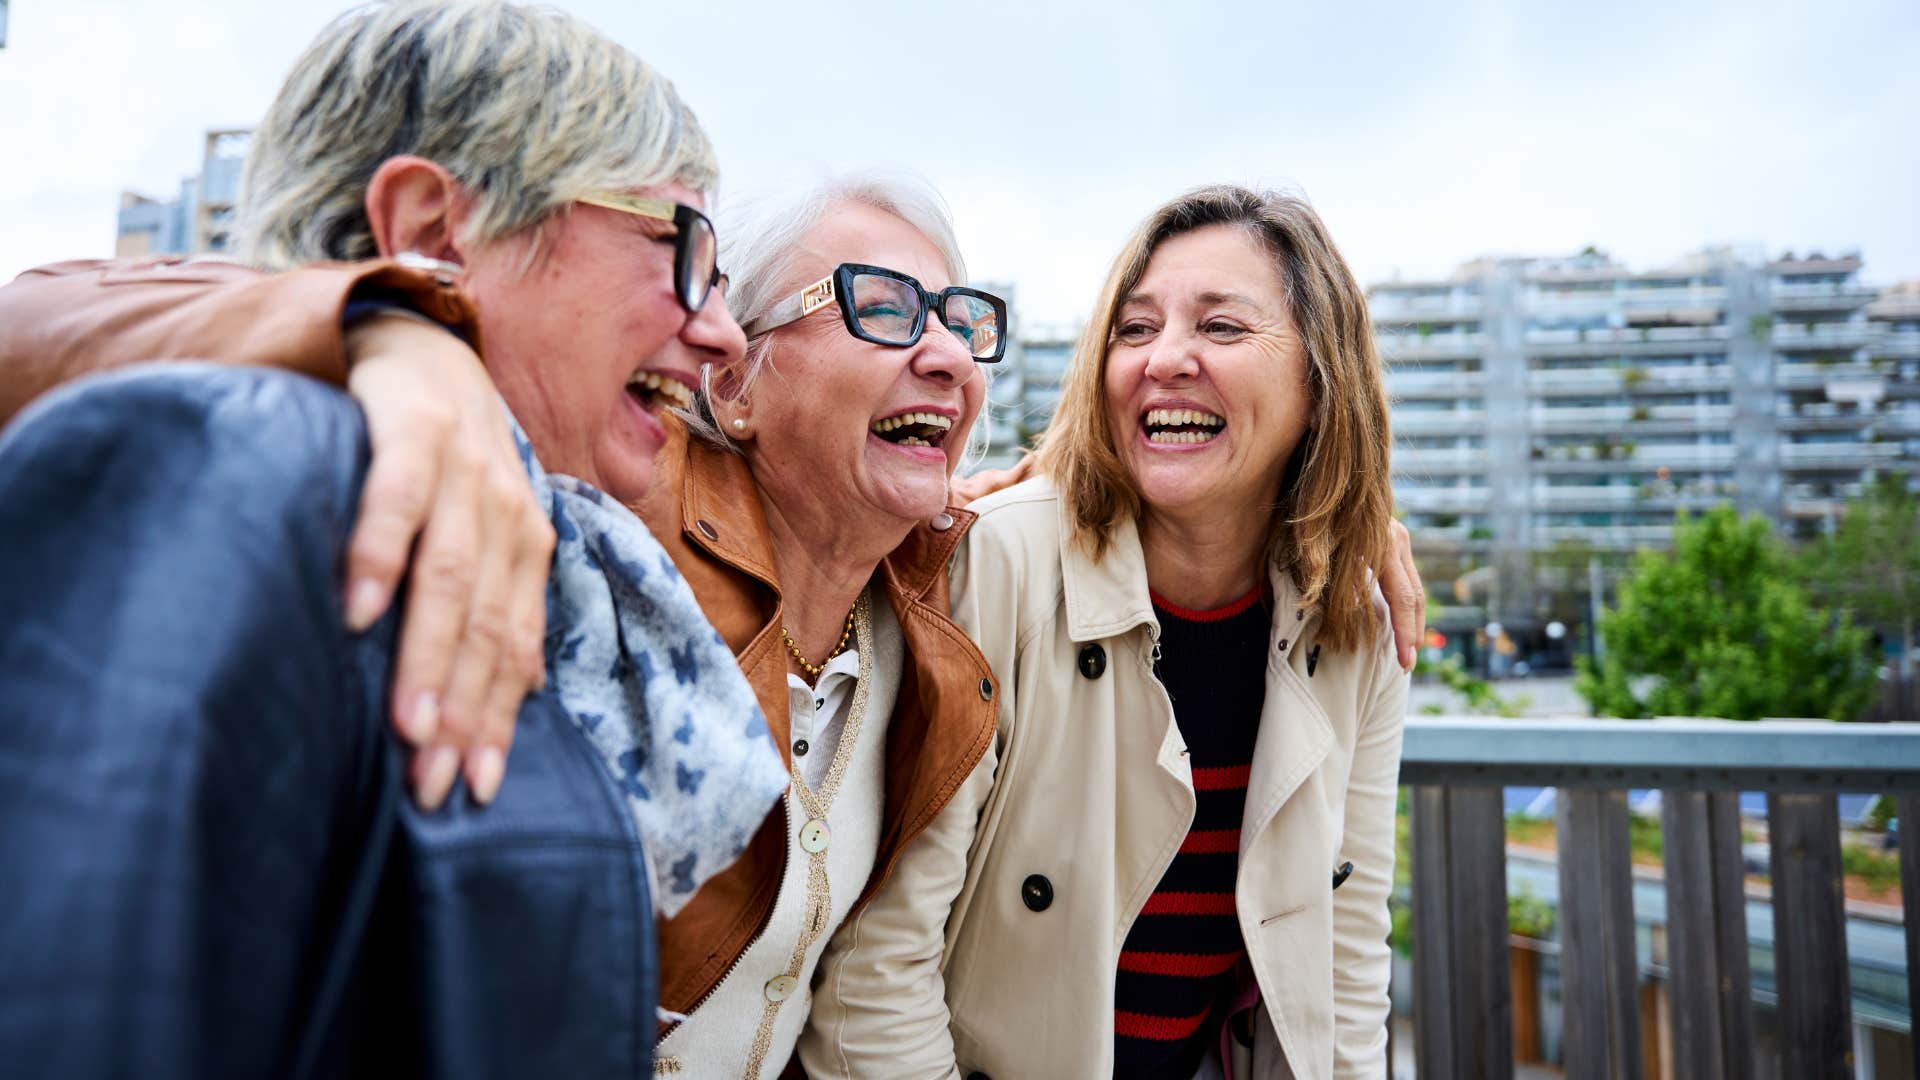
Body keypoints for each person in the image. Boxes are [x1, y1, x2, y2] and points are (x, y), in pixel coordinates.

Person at [0, 3, 785, 1074]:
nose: (722, 328)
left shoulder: (564, 554)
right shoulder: (231, 475)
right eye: (676, 242)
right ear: (429, 231)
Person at [800, 185, 1410, 1080]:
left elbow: (1345, 949)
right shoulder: (998, 566)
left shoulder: (1353, 613)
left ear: (1323, 382)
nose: (1165, 359)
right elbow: (879, 971)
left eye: (1223, 328)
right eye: (1133, 329)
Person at [634, 176, 1006, 1076]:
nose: (950, 356)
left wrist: (1316, 523)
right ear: (731, 383)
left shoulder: (919, 623)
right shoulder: (615, 527)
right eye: (883, 310)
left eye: (960, 322)